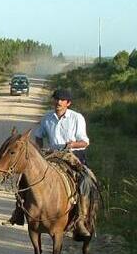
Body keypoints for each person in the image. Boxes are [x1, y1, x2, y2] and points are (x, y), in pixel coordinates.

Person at [5, 88, 93, 237]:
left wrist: (72, 144)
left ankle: (81, 218)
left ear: (68, 103)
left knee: (85, 179)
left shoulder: (77, 118)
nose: (58, 102)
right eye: (56, 99)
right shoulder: (47, 118)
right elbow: (39, 135)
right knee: (25, 179)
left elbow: (85, 141)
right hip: (53, 154)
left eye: (62, 100)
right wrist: (40, 149)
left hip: (73, 154)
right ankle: (19, 211)